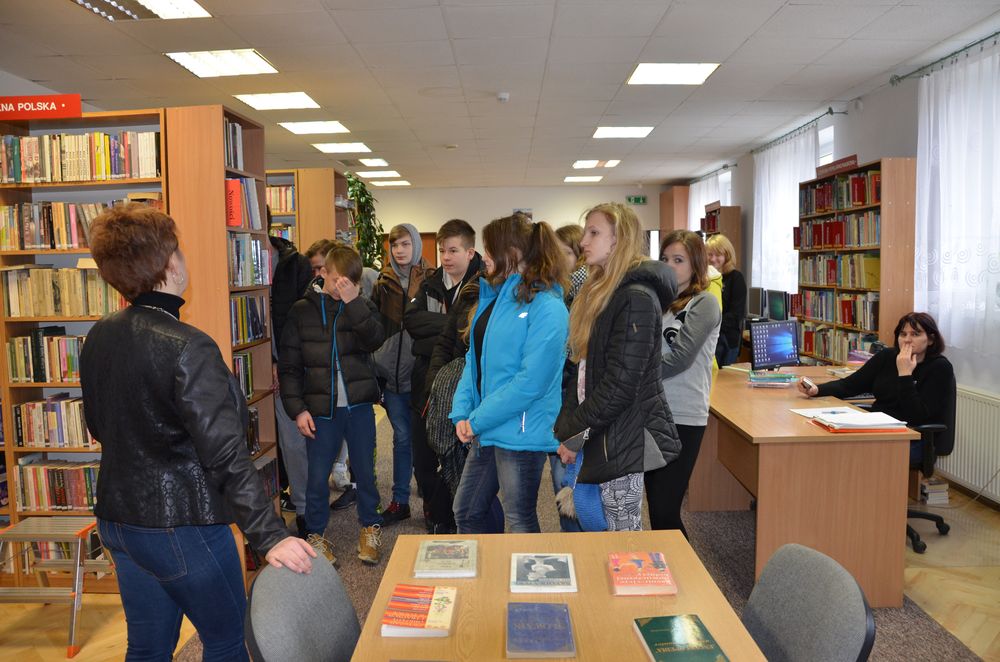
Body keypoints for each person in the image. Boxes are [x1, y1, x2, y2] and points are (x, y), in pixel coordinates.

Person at [80, 203, 314, 661]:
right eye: (179, 249)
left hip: (119, 521)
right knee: (228, 641)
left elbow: (98, 426)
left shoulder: (99, 335)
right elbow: (225, 453)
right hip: (182, 525)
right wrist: (270, 535)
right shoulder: (188, 346)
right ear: (169, 264)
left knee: (146, 647)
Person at [554, 202, 681, 531]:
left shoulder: (635, 298)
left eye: (594, 232)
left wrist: (574, 434)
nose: (584, 241)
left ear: (618, 240)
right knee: (599, 531)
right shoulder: (602, 292)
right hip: (601, 430)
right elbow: (582, 371)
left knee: (622, 539)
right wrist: (568, 428)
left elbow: (619, 387)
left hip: (622, 437)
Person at [449, 214, 568, 534]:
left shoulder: (548, 306)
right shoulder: (496, 299)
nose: (484, 257)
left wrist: (477, 419)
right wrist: (462, 412)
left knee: (519, 518)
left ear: (512, 253)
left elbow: (531, 383)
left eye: (490, 249)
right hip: (487, 425)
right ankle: (488, 568)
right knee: (467, 511)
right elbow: (474, 359)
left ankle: (526, 570)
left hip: (521, 431)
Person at [279, 245, 387, 565]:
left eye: (348, 282)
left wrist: (354, 304)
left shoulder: (361, 305)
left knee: (365, 471)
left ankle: (370, 527)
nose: (342, 287)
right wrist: (298, 409)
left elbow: (375, 339)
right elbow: (289, 367)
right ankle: (315, 534)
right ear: (322, 273)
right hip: (320, 409)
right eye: (337, 280)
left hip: (359, 405)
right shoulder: (301, 311)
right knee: (317, 476)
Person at [404, 218, 483, 533]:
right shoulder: (431, 283)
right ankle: (435, 512)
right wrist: (452, 324)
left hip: (466, 386)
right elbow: (412, 322)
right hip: (427, 382)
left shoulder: (482, 286)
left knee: (459, 458)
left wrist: (444, 329)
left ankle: (454, 517)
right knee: (424, 457)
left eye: (453, 250)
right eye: (442, 251)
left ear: (470, 252)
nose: (446, 257)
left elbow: (470, 336)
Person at [798, 312, 954, 463]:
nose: (907, 340)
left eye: (915, 334)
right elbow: (850, 385)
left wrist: (905, 374)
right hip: (876, 427)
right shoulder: (887, 356)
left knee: (846, 453)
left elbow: (916, 415)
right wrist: (817, 390)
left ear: (931, 339)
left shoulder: (939, 367)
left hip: (912, 436)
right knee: (824, 439)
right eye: (903, 334)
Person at [645, 230, 721, 535]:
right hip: (652, 412)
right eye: (665, 259)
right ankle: (666, 564)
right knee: (656, 508)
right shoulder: (659, 301)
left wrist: (634, 374)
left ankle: (686, 567)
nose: (669, 266)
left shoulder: (704, 303)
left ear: (696, 264)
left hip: (684, 415)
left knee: (666, 510)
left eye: (679, 260)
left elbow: (680, 359)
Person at [372, 223, 428, 525]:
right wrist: (376, 364)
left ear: (416, 245)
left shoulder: (431, 280)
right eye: (394, 245)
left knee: (425, 440)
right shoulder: (382, 283)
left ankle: (431, 499)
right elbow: (373, 329)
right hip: (391, 378)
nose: (399, 250)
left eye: (405, 244)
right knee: (402, 438)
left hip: (420, 376)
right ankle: (400, 500)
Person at [266, 208, 313, 534]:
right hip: (253, 364)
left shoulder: (295, 263)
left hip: (290, 365)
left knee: (294, 441)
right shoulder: (226, 260)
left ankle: (305, 508)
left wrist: (281, 364)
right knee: (269, 443)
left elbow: (302, 323)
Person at [706, 233, 747, 367]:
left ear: (727, 256)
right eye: (709, 254)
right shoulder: (702, 278)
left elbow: (736, 315)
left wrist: (708, 324)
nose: (713, 259)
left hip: (726, 341)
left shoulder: (736, 278)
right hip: (706, 338)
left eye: (718, 255)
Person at [555, 224, 588, 306]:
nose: (560, 257)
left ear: (581, 254)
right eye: (556, 252)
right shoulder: (557, 280)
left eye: (567, 252)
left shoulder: (585, 286)